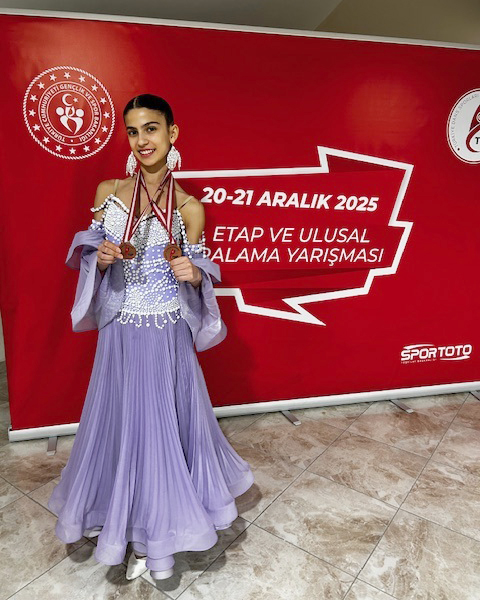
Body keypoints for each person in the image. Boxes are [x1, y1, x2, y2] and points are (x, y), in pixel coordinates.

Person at [48, 94, 255, 582]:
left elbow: (200, 270)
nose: (142, 140)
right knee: (123, 423)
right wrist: (99, 258)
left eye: (152, 128)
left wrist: (193, 273)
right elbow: (87, 250)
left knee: (162, 427)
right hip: (120, 330)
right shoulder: (108, 192)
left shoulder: (189, 207)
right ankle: (119, 515)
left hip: (166, 332)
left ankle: (154, 532)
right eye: (134, 131)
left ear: (172, 133)